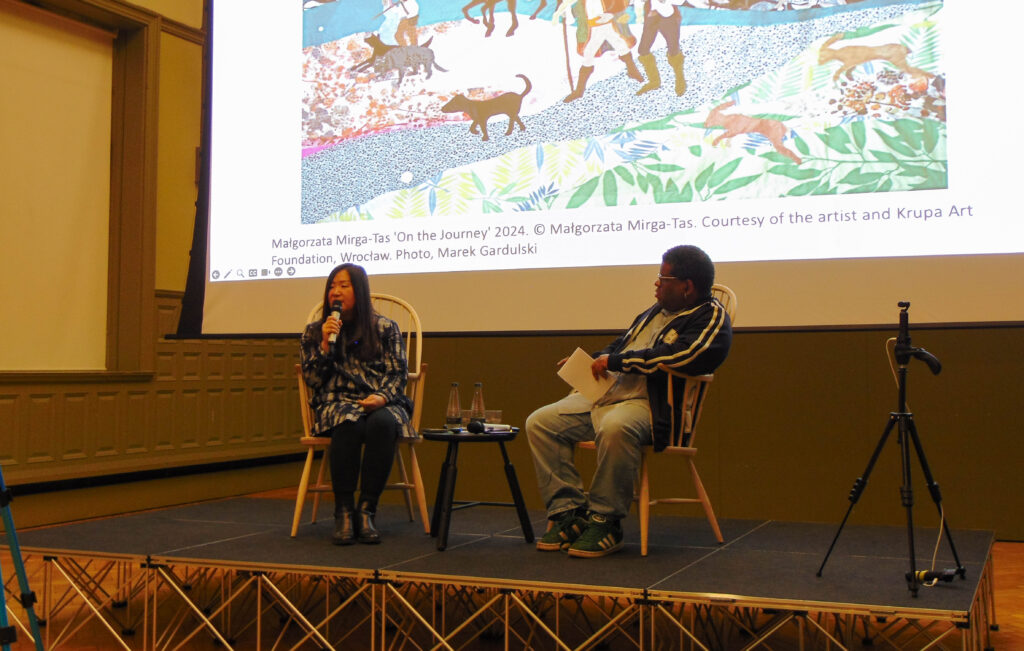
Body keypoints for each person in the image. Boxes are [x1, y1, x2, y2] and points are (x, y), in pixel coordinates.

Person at [526, 245, 731, 557]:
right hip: (611, 394)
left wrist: (617, 361)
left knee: (614, 427)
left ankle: (605, 520)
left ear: (687, 287)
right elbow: (622, 346)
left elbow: (684, 354)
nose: (656, 284)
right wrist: (593, 360)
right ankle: (569, 513)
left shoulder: (711, 316)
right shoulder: (653, 313)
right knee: (541, 422)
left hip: (655, 405)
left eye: (663, 278)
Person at [299, 263, 412, 545]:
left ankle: (367, 510)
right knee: (347, 423)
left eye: (344, 286)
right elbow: (312, 379)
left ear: (359, 291)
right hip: (337, 402)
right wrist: (325, 345)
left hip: (383, 399)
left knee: (383, 423)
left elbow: (398, 374)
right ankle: (343, 511)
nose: (335, 292)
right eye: (332, 286)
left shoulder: (385, 328)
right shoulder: (315, 332)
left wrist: (382, 397)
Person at [552, 0, 644, 103]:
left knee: (592, 53)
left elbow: (619, 2)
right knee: (618, 45)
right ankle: (632, 71)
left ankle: (579, 91)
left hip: (602, 24)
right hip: (596, 25)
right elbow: (576, 9)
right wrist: (566, 12)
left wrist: (610, 14)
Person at [633, 0, 686, 96]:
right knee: (643, 50)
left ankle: (680, 79)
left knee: (673, 49)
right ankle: (654, 81)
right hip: (651, 15)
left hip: (668, 17)